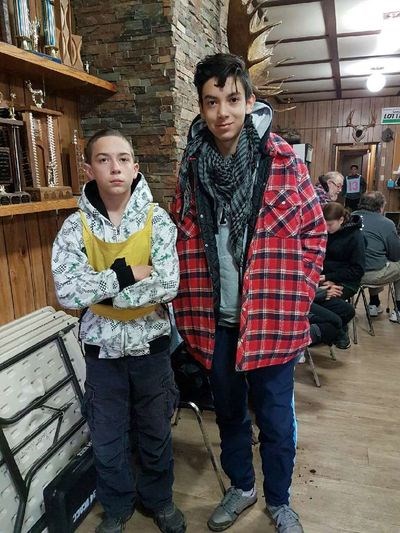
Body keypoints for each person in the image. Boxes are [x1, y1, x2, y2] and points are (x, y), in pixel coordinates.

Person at [171, 53, 327, 533]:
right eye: (212, 101)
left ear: (249, 101)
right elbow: (181, 235)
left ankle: (279, 500)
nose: (223, 112)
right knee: (232, 416)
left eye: (232, 100)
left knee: (277, 422)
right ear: (200, 107)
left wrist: (297, 296)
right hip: (215, 319)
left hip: (273, 320)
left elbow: (314, 234)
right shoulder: (192, 167)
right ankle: (242, 487)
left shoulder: (282, 162)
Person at [52, 129, 186, 533]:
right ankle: (116, 505)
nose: (115, 167)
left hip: (152, 346)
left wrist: (103, 294)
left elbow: (168, 284)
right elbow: (66, 291)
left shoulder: (156, 220)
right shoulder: (75, 227)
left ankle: (159, 501)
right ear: (89, 168)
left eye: (123, 158)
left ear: (135, 167)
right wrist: (125, 275)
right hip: (101, 352)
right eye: (105, 159)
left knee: (156, 430)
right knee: (107, 436)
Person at [320, 202, 365, 348]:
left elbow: (357, 270)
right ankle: (335, 329)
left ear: (341, 220)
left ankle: (337, 330)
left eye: (330, 225)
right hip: (323, 277)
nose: (326, 229)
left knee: (325, 300)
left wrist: (331, 278)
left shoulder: (355, 237)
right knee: (318, 298)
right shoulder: (323, 231)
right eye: (324, 224)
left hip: (347, 281)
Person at [353, 191, 400, 322]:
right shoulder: (387, 223)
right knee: (391, 264)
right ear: (381, 207)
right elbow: (395, 255)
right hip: (373, 274)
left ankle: (374, 303)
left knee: (373, 262)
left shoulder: (348, 218)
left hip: (349, 274)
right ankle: (399, 310)